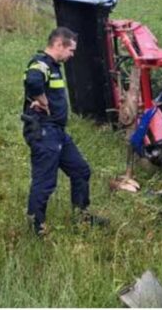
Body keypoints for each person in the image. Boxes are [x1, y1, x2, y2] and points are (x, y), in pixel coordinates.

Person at [22, 27, 108, 236]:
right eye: (71, 50)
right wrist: (41, 99)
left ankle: (81, 215)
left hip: (57, 132)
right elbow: (32, 80)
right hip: (44, 131)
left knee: (81, 171)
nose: (72, 55)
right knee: (45, 181)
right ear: (59, 44)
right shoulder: (41, 63)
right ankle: (37, 225)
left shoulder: (53, 66)